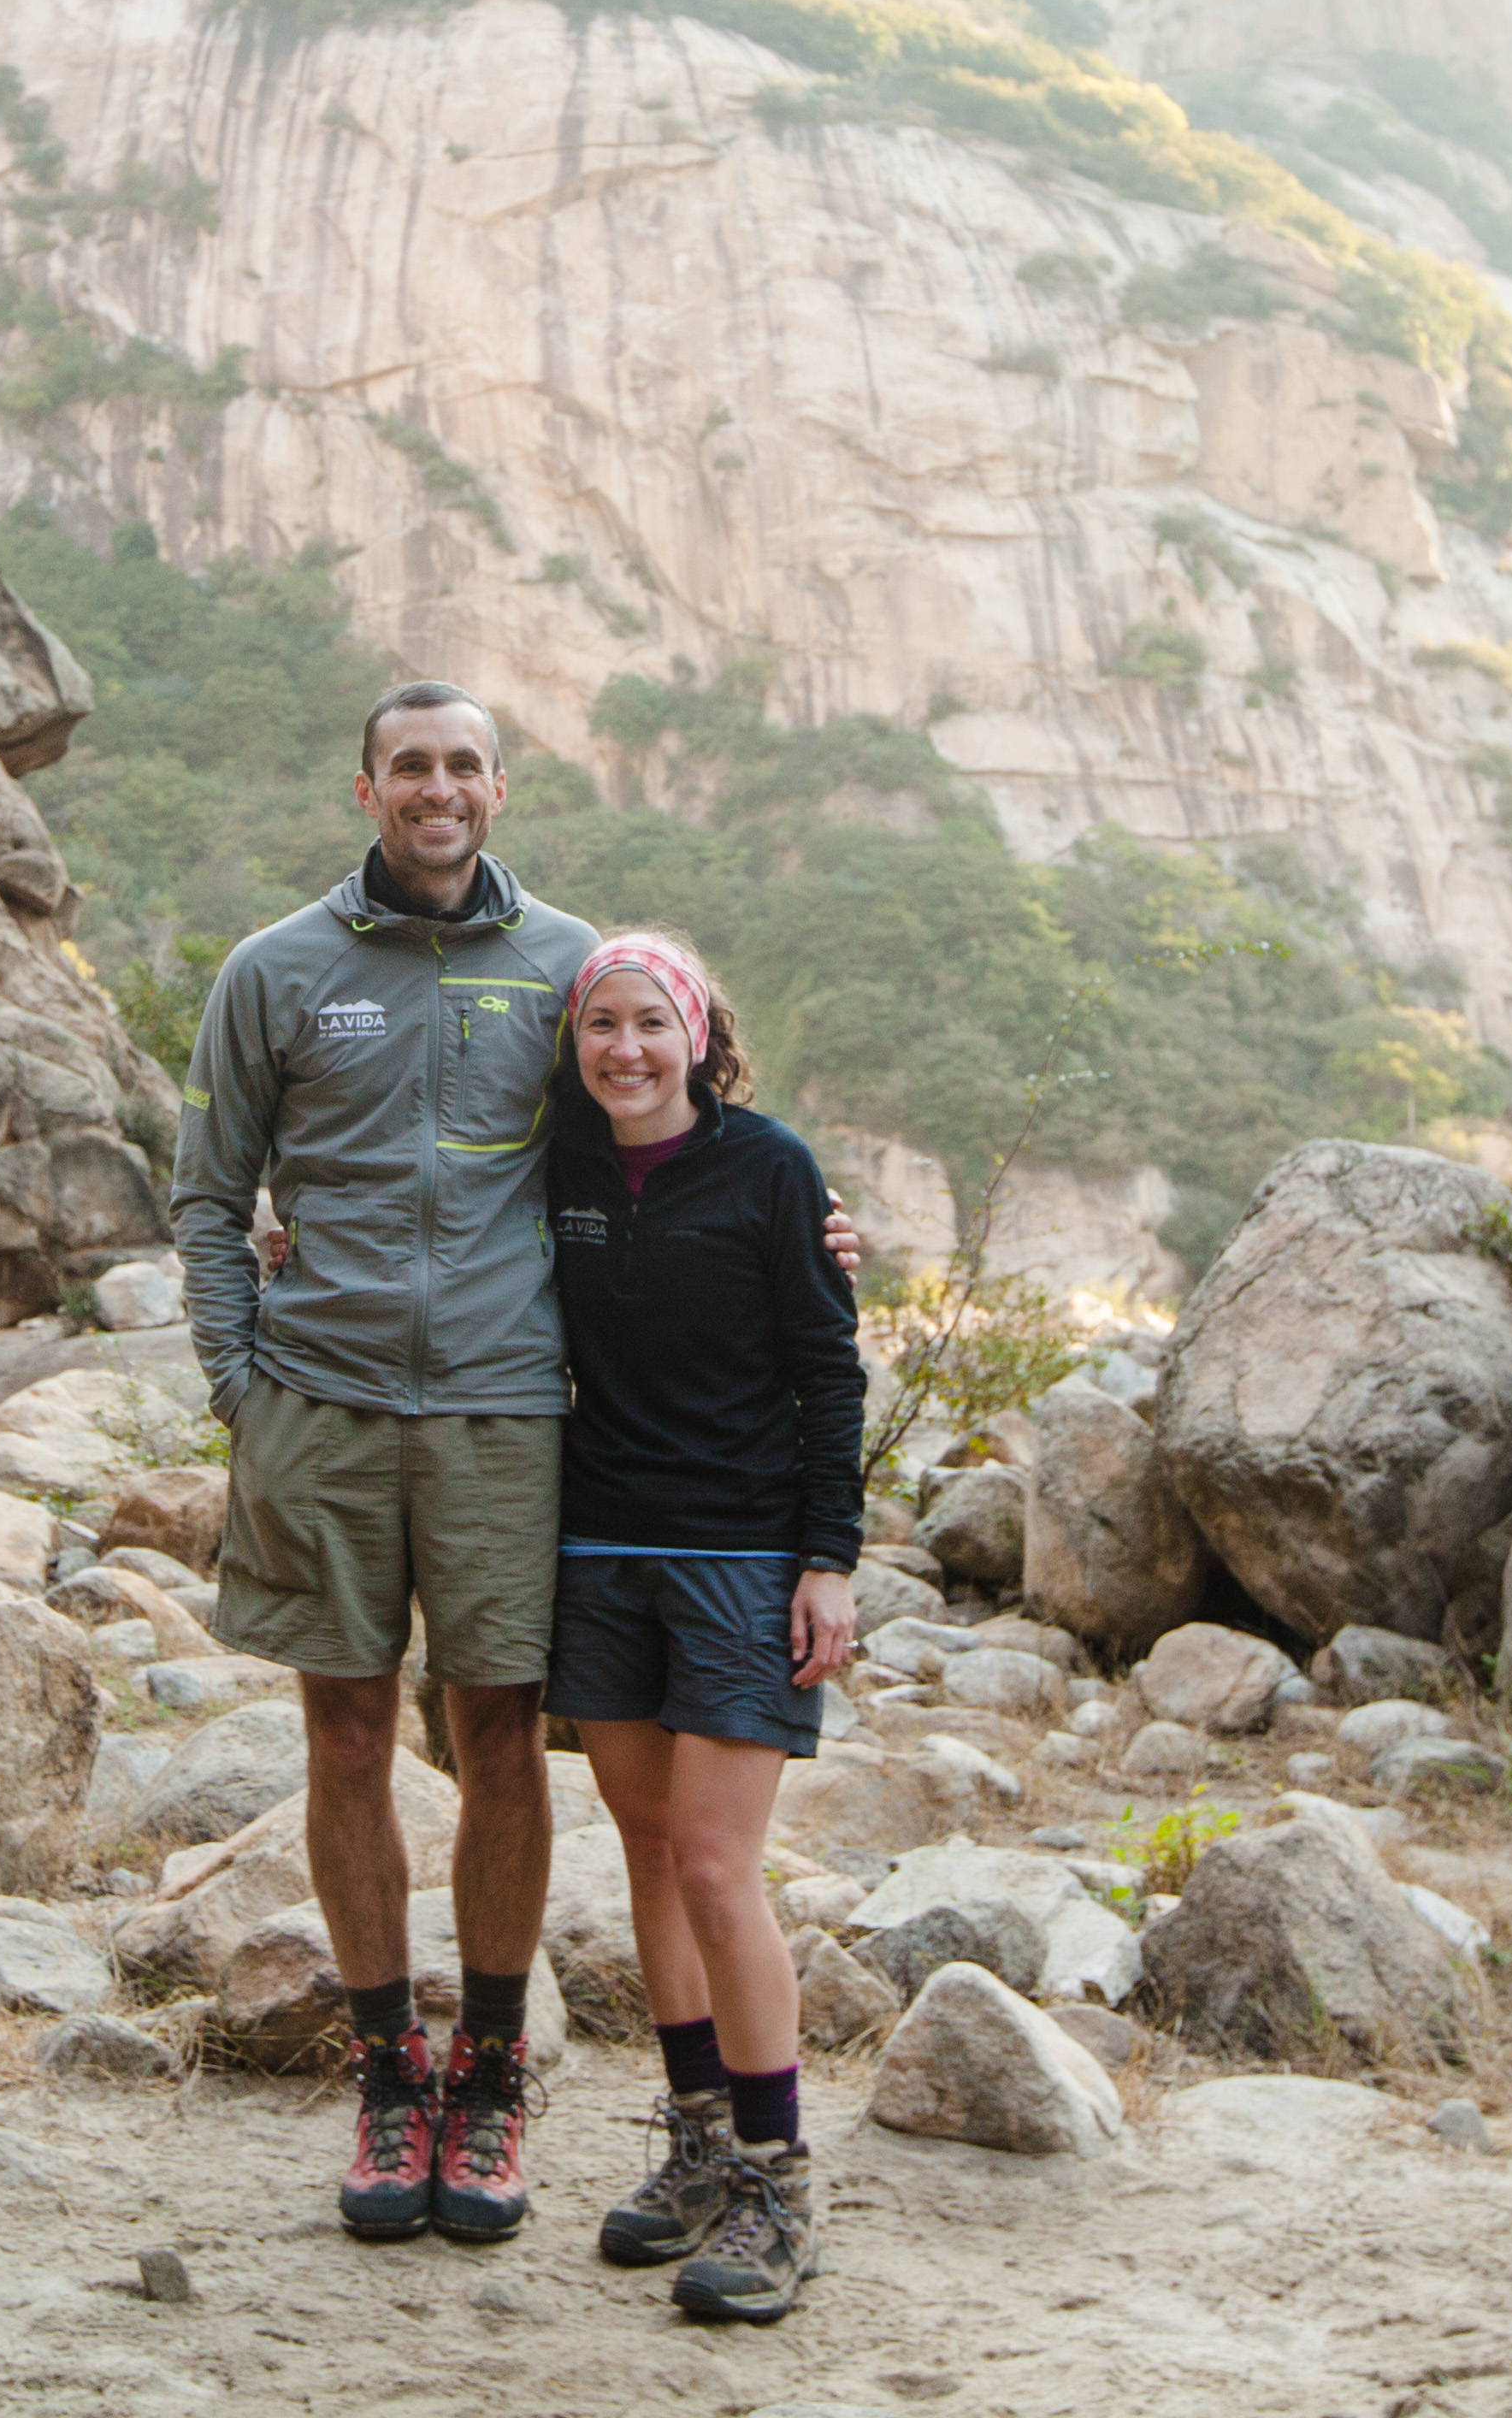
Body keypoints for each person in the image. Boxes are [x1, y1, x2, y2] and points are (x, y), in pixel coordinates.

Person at [168, 682, 851, 2247]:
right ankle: (385, 2073)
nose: (438, 788)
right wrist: (237, 1386)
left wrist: (802, 1227)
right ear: (365, 790)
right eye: (410, 765)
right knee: (343, 1740)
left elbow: (663, 1121)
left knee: (495, 1738)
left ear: (500, 788)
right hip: (320, 1410)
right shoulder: (274, 970)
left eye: (464, 765)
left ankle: (488, 2082)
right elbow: (212, 1198)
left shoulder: (565, 965)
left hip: (504, 1416)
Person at [540, 927, 860, 2325]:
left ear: (694, 1035)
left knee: (723, 1867)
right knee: (651, 1852)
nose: (624, 1049)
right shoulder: (552, 1167)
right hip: (599, 1549)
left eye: (648, 1024)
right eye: (600, 1025)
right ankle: (697, 2144)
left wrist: (830, 1564)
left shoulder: (774, 1169)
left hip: (739, 1558)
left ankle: (779, 2179)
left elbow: (827, 1371)